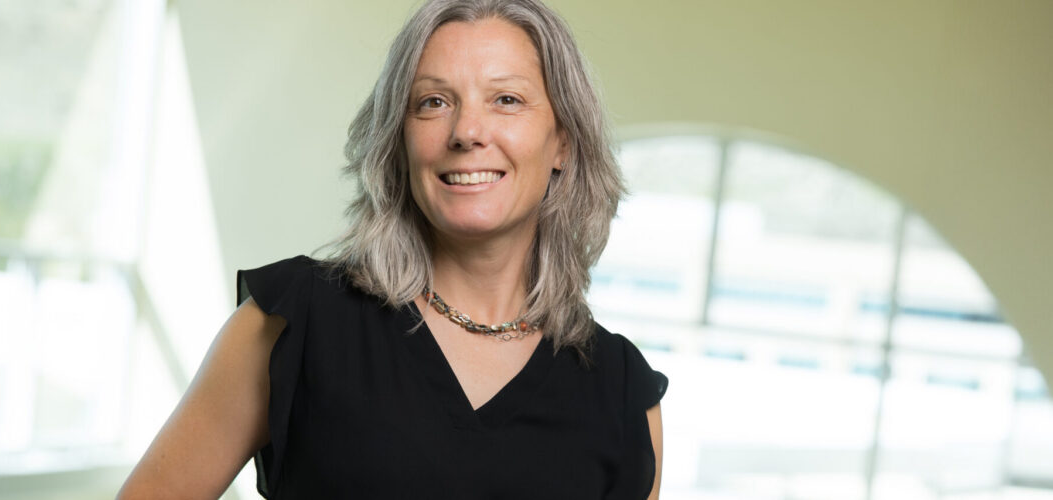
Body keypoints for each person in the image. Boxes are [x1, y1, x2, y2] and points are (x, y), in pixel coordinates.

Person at [119, 0, 667, 497]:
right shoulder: (292, 323)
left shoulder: (623, 396)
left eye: (507, 99)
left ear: (563, 144)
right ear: (399, 142)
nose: (467, 131)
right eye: (433, 101)